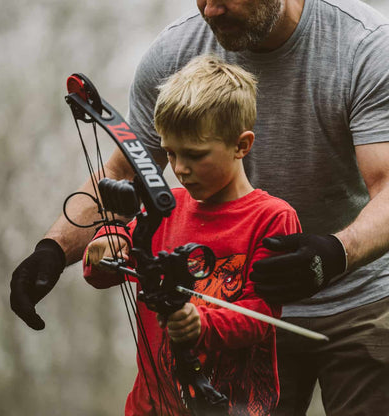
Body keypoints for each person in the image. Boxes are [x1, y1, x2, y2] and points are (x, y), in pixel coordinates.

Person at [10, 0, 389, 414]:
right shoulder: (175, 53)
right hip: (235, 324)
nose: (210, 10)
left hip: (358, 298)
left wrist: (335, 253)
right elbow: (127, 170)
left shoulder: (364, 44)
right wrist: (52, 249)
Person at [83, 54, 301, 415]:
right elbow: (106, 266)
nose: (180, 169)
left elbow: (261, 313)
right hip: (152, 403)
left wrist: (202, 323)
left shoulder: (273, 217)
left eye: (195, 155)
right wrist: (107, 243)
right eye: (170, 153)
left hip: (232, 403)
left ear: (241, 145)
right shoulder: (162, 208)